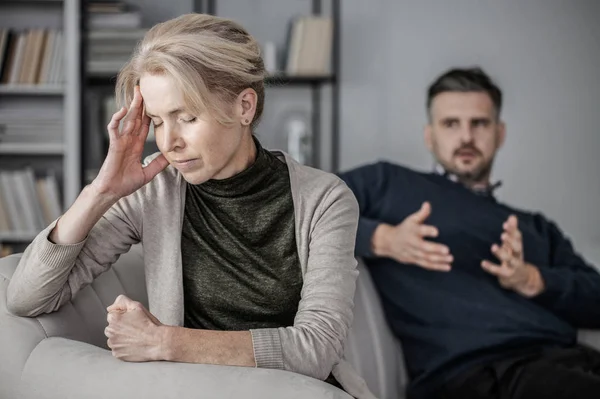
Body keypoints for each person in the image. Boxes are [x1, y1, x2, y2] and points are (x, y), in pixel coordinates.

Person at [6, 13, 374, 399]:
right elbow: (26, 297)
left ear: (244, 106)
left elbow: (315, 349)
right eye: (157, 122)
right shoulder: (154, 193)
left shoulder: (325, 199)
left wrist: (164, 342)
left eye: (187, 117)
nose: (169, 142)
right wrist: (101, 189)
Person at [338, 67, 600, 399]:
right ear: (429, 135)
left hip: (569, 359)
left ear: (500, 133)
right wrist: (382, 239)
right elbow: (302, 205)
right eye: (451, 124)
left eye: (479, 124)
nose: (466, 137)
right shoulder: (387, 185)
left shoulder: (534, 227)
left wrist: (534, 280)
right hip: (479, 373)